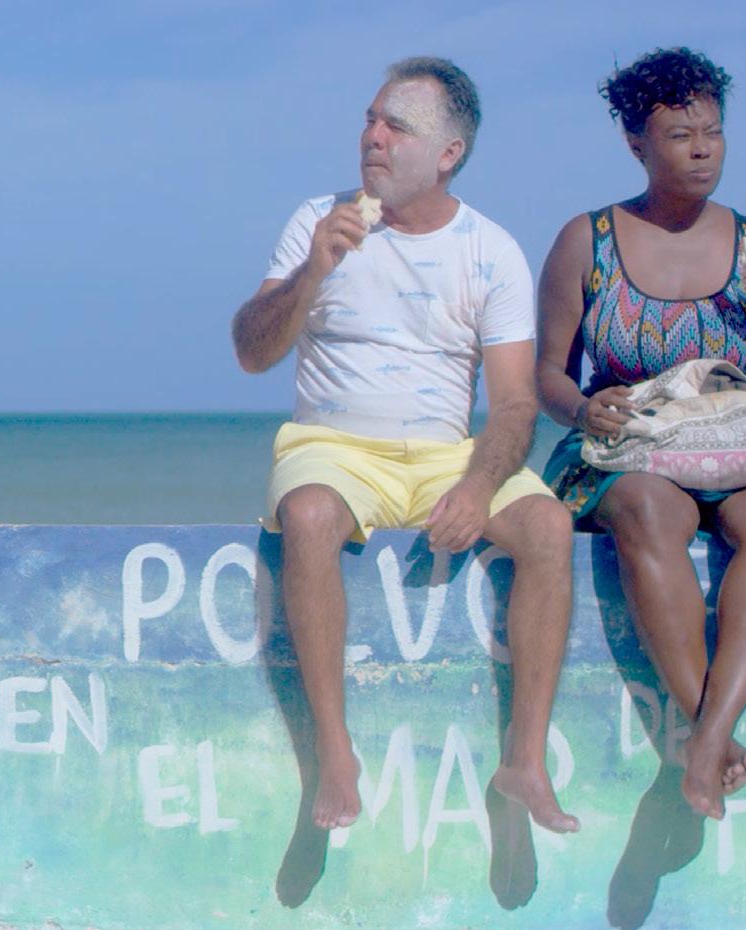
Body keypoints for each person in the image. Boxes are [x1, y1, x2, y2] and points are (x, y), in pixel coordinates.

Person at [231, 56, 579, 835]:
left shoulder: (490, 249)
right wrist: (312, 271)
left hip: (445, 456)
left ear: (448, 153)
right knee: (308, 516)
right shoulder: (316, 219)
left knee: (549, 525)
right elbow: (251, 352)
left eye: (397, 127)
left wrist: (478, 488)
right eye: (369, 120)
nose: (373, 137)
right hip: (332, 447)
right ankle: (335, 754)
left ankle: (524, 760)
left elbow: (515, 403)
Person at [532, 47, 746, 820]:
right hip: (631, 446)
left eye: (712, 133)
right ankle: (711, 736)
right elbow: (548, 375)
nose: (701, 151)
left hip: (735, 443)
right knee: (648, 509)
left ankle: (706, 739)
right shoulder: (587, 240)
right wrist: (582, 410)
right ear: (635, 143)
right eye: (680, 136)